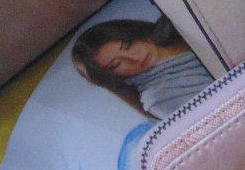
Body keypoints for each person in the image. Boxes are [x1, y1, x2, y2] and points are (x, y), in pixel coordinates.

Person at [70, 16, 212, 120]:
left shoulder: (178, 22)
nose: (134, 57)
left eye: (128, 45)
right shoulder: (158, 98)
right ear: (113, 77)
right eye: (116, 64)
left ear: (133, 32)